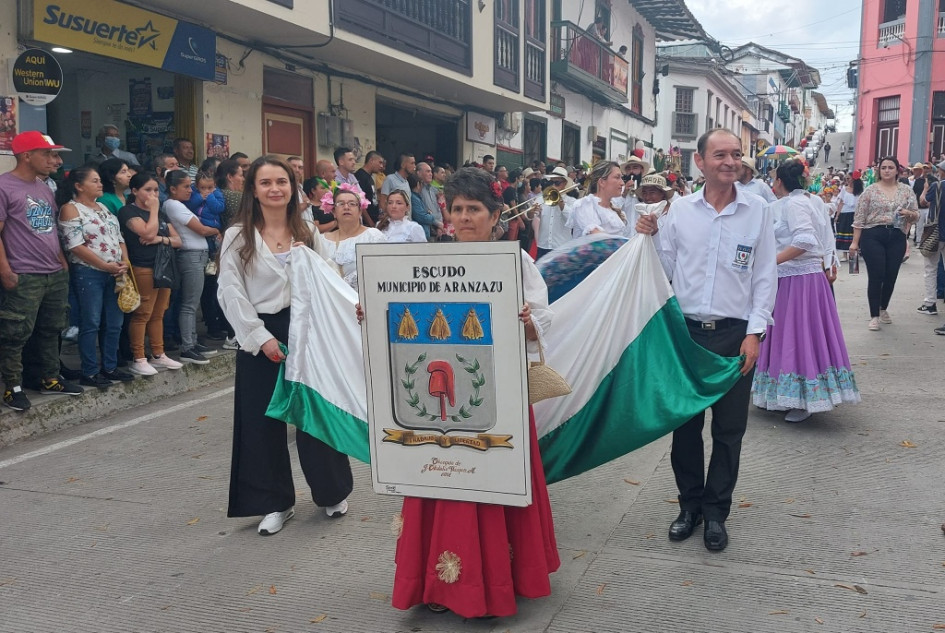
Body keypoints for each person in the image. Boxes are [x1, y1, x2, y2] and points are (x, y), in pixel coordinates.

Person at [385, 167, 560, 618]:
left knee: (493, 476)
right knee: (443, 480)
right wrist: (374, 312)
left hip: (497, 394)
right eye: (457, 209)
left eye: (474, 209)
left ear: (495, 214)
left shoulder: (516, 262)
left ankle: (500, 579)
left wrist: (528, 320)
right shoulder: (424, 263)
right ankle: (437, 582)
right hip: (438, 399)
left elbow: (545, 317)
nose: (464, 218)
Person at [636, 128, 776, 552]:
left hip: (735, 338)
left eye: (736, 154)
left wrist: (755, 333)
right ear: (700, 162)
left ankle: (716, 513)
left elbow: (765, 277)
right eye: (720, 154)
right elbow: (664, 270)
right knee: (685, 428)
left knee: (730, 431)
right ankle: (689, 507)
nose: (730, 161)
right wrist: (649, 234)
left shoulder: (758, 212)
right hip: (687, 335)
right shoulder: (678, 212)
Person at [218, 155, 353, 535]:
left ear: (293, 188)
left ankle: (331, 492)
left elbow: (332, 281)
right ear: (253, 190)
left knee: (316, 414)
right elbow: (230, 291)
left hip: (308, 328)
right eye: (265, 182)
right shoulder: (237, 235)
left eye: (282, 181)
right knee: (261, 420)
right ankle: (274, 502)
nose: (275, 188)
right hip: (260, 330)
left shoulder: (308, 231)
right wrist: (260, 339)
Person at [751, 160, 859, 423]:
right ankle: (787, 393)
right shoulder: (802, 202)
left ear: (779, 182)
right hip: (796, 278)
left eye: (775, 179)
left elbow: (806, 240)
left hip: (800, 280)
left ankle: (805, 397)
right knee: (791, 335)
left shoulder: (795, 203)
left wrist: (770, 262)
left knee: (799, 336)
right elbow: (823, 236)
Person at [0, 132, 84, 411]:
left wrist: (61, 260)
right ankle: (12, 387)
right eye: (48, 154)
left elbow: (49, 230)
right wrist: (6, 271)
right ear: (27, 155)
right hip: (23, 273)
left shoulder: (44, 188)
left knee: (52, 328)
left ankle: (49, 377)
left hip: (53, 272)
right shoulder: (4, 186)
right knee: (15, 333)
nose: (54, 160)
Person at [56, 166, 135, 388]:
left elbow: (118, 237)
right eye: (94, 181)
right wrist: (104, 265)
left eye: (100, 180)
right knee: (91, 322)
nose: (100, 184)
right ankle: (90, 371)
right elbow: (75, 246)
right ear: (79, 186)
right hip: (89, 272)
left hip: (115, 271)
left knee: (114, 323)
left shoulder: (102, 207)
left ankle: (110, 367)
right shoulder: (71, 209)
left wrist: (125, 261)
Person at [118, 174, 184, 376]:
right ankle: (138, 357)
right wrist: (154, 210)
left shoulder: (161, 216)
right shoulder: (128, 211)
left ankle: (158, 353)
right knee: (142, 313)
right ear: (135, 191)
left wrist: (159, 240)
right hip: (142, 267)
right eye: (148, 189)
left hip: (163, 267)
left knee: (159, 312)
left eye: (156, 190)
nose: (153, 194)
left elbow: (177, 240)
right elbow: (146, 233)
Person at [849, 156, 920, 331]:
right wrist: (854, 243)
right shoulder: (870, 191)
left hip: (897, 235)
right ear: (879, 171)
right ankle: (874, 315)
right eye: (883, 168)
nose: (887, 170)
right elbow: (859, 218)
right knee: (876, 274)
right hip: (873, 234)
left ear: (897, 170)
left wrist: (908, 213)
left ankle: (883, 308)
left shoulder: (906, 191)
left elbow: (917, 214)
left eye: (890, 167)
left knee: (891, 275)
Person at [163, 170, 220, 363]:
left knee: (191, 303)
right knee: (189, 304)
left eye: (190, 186)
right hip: (190, 256)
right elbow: (201, 229)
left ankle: (192, 341)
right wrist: (218, 230)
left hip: (197, 255)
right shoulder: (173, 205)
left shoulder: (180, 204)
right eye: (186, 186)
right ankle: (188, 346)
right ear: (172, 188)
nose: (190, 190)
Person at [322, 185, 386, 289]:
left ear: (360, 211)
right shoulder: (322, 240)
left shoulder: (373, 237)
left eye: (352, 204)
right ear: (334, 211)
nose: (346, 207)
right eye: (341, 204)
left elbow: (382, 272)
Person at [567, 161, 629, 237]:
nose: (622, 183)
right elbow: (598, 240)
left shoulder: (614, 209)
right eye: (617, 177)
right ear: (602, 182)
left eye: (621, 178)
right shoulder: (585, 205)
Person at [918, 161, 945, 316]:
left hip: (935, 232)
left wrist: (926, 188)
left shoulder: (937, 186)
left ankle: (930, 303)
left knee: (930, 268)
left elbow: (924, 201)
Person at [535, 166, 576, 259]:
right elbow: (529, 216)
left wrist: (560, 202)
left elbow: (572, 221)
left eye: (557, 183)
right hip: (543, 246)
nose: (553, 186)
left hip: (562, 247)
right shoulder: (541, 198)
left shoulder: (572, 201)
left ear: (565, 183)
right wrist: (531, 212)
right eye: (551, 182)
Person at [834, 171, 862, 261]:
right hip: (845, 213)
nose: (847, 180)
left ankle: (853, 256)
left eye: (848, 178)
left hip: (855, 214)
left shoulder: (861, 190)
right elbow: (841, 203)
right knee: (844, 232)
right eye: (846, 179)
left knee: (854, 234)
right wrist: (837, 215)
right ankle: (845, 255)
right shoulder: (844, 189)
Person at [408, 172, 437, 239]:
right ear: (418, 184)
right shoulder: (414, 198)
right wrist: (431, 216)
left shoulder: (417, 197)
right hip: (420, 235)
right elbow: (422, 217)